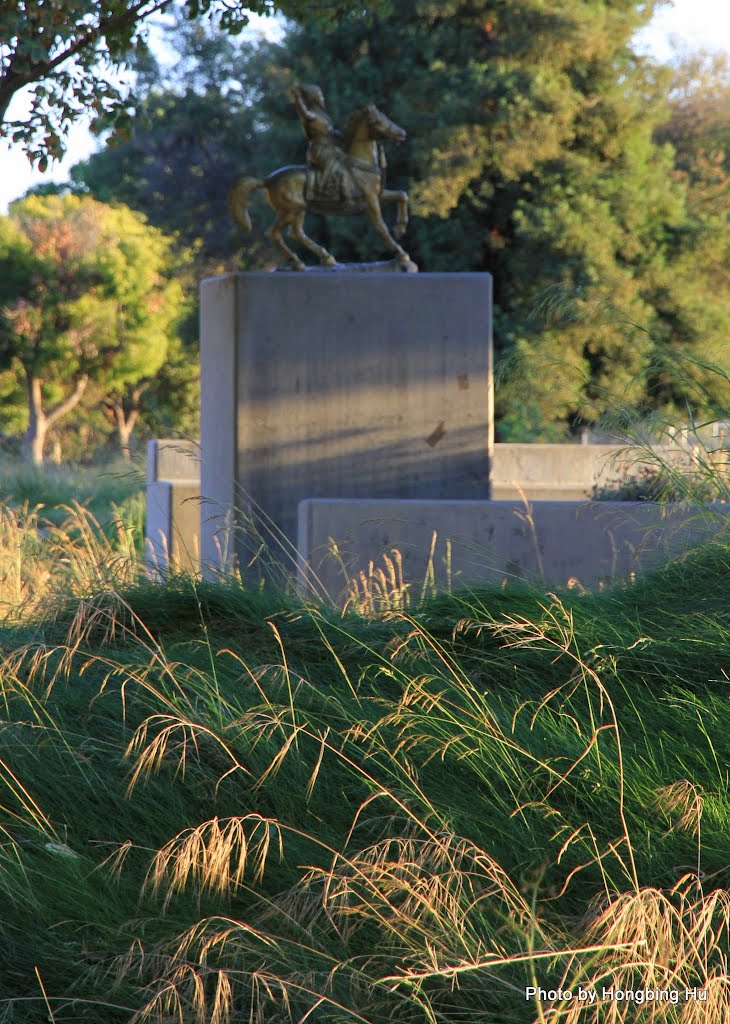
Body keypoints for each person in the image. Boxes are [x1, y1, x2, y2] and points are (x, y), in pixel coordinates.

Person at [292, 84, 349, 202]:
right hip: (319, 150)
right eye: (320, 96)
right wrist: (298, 99)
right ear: (314, 99)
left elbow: (329, 132)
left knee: (348, 159)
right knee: (336, 163)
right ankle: (324, 188)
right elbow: (304, 113)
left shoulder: (323, 116)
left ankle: (339, 187)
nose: (323, 98)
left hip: (328, 147)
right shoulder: (311, 114)